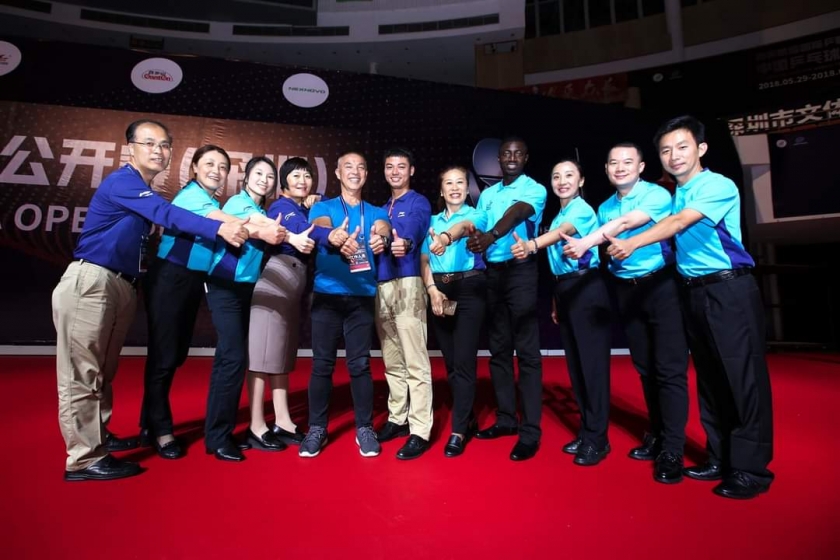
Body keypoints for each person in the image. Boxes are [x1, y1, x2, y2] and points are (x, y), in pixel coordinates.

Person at [52, 119, 249, 481]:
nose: (158, 151)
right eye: (149, 143)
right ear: (131, 147)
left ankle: (99, 438)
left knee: (103, 370)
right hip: (92, 280)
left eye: (164, 145)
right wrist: (219, 227)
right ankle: (83, 459)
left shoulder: (141, 187)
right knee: (82, 374)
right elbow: (166, 213)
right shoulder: (124, 182)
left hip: (120, 284)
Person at [605, 115, 773, 499]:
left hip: (728, 290)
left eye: (682, 147)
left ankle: (751, 470)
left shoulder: (715, 185)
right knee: (711, 381)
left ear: (701, 148)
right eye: (666, 150)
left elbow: (681, 222)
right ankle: (719, 457)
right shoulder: (677, 192)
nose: (674, 156)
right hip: (693, 292)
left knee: (742, 379)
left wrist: (633, 243)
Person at [139, 145, 286, 460]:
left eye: (222, 167)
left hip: (191, 280)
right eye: (209, 164)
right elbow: (229, 222)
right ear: (193, 168)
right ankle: (162, 431)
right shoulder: (193, 197)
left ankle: (149, 424)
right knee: (165, 356)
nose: (216, 171)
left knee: (173, 355)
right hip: (170, 277)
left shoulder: (212, 199)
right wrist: (266, 231)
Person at [561, 143, 689, 483]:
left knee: (669, 370)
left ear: (641, 166)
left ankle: (673, 450)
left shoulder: (656, 195)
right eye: (613, 163)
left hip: (660, 286)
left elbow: (628, 222)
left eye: (627, 162)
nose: (620, 168)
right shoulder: (604, 206)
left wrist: (587, 242)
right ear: (605, 169)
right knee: (645, 368)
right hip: (625, 291)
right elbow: (611, 236)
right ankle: (657, 435)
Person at [511, 160, 612, 466]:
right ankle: (587, 429)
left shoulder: (581, 210)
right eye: (556, 176)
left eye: (569, 175)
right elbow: (559, 262)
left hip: (587, 289)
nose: (562, 181)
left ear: (581, 181)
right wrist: (557, 299)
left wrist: (532, 245)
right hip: (566, 290)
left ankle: (598, 439)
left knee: (592, 368)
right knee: (577, 367)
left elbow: (561, 234)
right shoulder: (559, 213)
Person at [204, 156, 305, 462]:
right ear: (246, 177)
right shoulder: (239, 203)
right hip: (225, 285)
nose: (264, 179)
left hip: (248, 288)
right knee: (233, 357)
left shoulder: (264, 209)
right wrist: (290, 235)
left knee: (250, 355)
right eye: (258, 173)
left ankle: (240, 429)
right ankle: (225, 435)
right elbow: (258, 226)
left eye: (269, 176)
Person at [299, 150, 391, 458]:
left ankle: (364, 428)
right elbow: (321, 225)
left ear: (366, 175)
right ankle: (317, 428)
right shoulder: (322, 207)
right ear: (337, 173)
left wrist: (382, 239)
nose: (355, 171)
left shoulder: (376, 211)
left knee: (360, 364)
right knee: (322, 364)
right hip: (327, 295)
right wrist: (333, 235)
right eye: (348, 167)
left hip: (362, 296)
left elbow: (383, 229)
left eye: (361, 167)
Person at [467, 136, 546, 461]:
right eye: (506, 154)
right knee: (498, 350)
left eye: (517, 153)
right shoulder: (487, 194)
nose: (511, 158)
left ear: (525, 158)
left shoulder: (535, 189)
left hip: (521, 272)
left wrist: (491, 236)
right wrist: (466, 231)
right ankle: (505, 420)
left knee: (526, 351)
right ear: (498, 159)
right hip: (494, 275)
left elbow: (517, 213)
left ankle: (530, 432)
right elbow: (478, 222)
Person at [247, 157, 334, 448]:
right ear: (283, 182)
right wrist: (333, 234)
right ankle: (256, 424)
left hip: (294, 283)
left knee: (280, 354)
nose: (302, 181)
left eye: (307, 176)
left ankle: (282, 419)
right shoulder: (281, 207)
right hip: (277, 279)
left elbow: (318, 213)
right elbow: (302, 228)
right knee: (261, 356)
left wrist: (315, 202)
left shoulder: (303, 207)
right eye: (295, 175)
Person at [421, 166, 487, 457]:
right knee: (450, 361)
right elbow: (424, 259)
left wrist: (446, 238)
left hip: (469, 289)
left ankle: (458, 430)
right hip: (441, 291)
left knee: (464, 360)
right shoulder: (430, 221)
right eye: (449, 183)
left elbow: (463, 229)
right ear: (441, 190)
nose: (455, 187)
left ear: (467, 187)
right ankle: (468, 416)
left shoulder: (477, 214)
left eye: (460, 182)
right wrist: (432, 290)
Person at [374, 148, 434, 460]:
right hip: (382, 285)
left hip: (409, 283)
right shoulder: (380, 208)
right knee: (392, 360)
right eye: (389, 166)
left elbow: (415, 229)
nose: (395, 171)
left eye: (401, 166)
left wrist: (404, 242)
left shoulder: (418, 202)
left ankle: (420, 429)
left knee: (415, 360)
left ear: (411, 171)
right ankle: (397, 418)